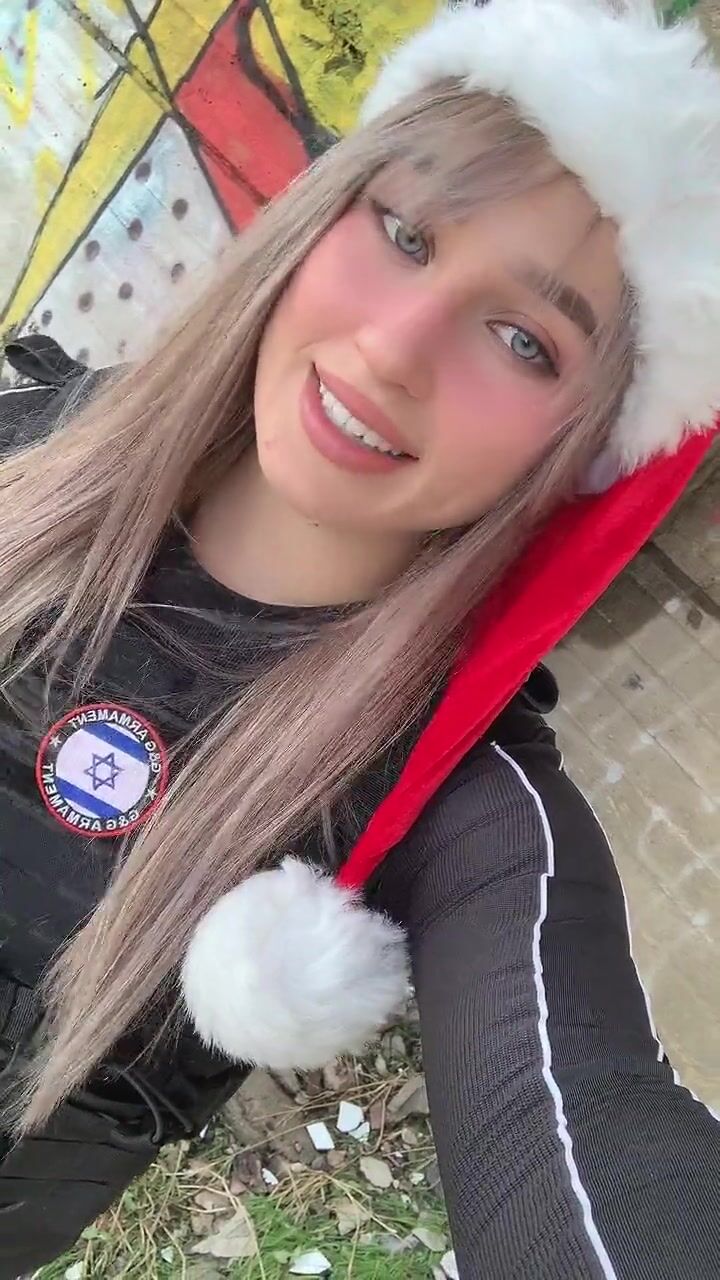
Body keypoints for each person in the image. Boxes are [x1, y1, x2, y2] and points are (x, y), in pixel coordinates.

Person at [0, 0, 718, 1275]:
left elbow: (586, 1145)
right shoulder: (28, 444)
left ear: (585, 451)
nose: (392, 349)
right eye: (404, 232)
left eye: (525, 340)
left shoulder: (461, 809)